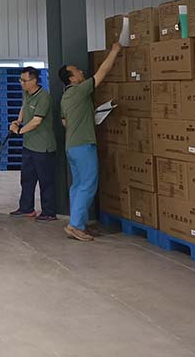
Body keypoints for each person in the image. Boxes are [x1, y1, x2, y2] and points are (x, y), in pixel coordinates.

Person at [59, 41, 122, 242]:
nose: (81, 72)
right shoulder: (79, 90)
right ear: (72, 78)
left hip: (71, 146)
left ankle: (78, 222)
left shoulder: (66, 97)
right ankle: (75, 225)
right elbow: (101, 73)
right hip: (83, 145)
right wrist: (115, 51)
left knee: (78, 185)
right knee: (88, 184)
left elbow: (64, 122)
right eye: (77, 71)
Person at [8, 66, 57, 221]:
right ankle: (26, 208)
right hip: (29, 145)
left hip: (43, 147)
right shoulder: (27, 93)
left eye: (25, 80)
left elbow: (37, 121)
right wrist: (18, 121)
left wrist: (19, 131)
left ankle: (49, 212)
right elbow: (24, 106)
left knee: (45, 181)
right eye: (20, 80)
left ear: (34, 80)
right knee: (27, 179)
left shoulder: (43, 97)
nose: (22, 83)